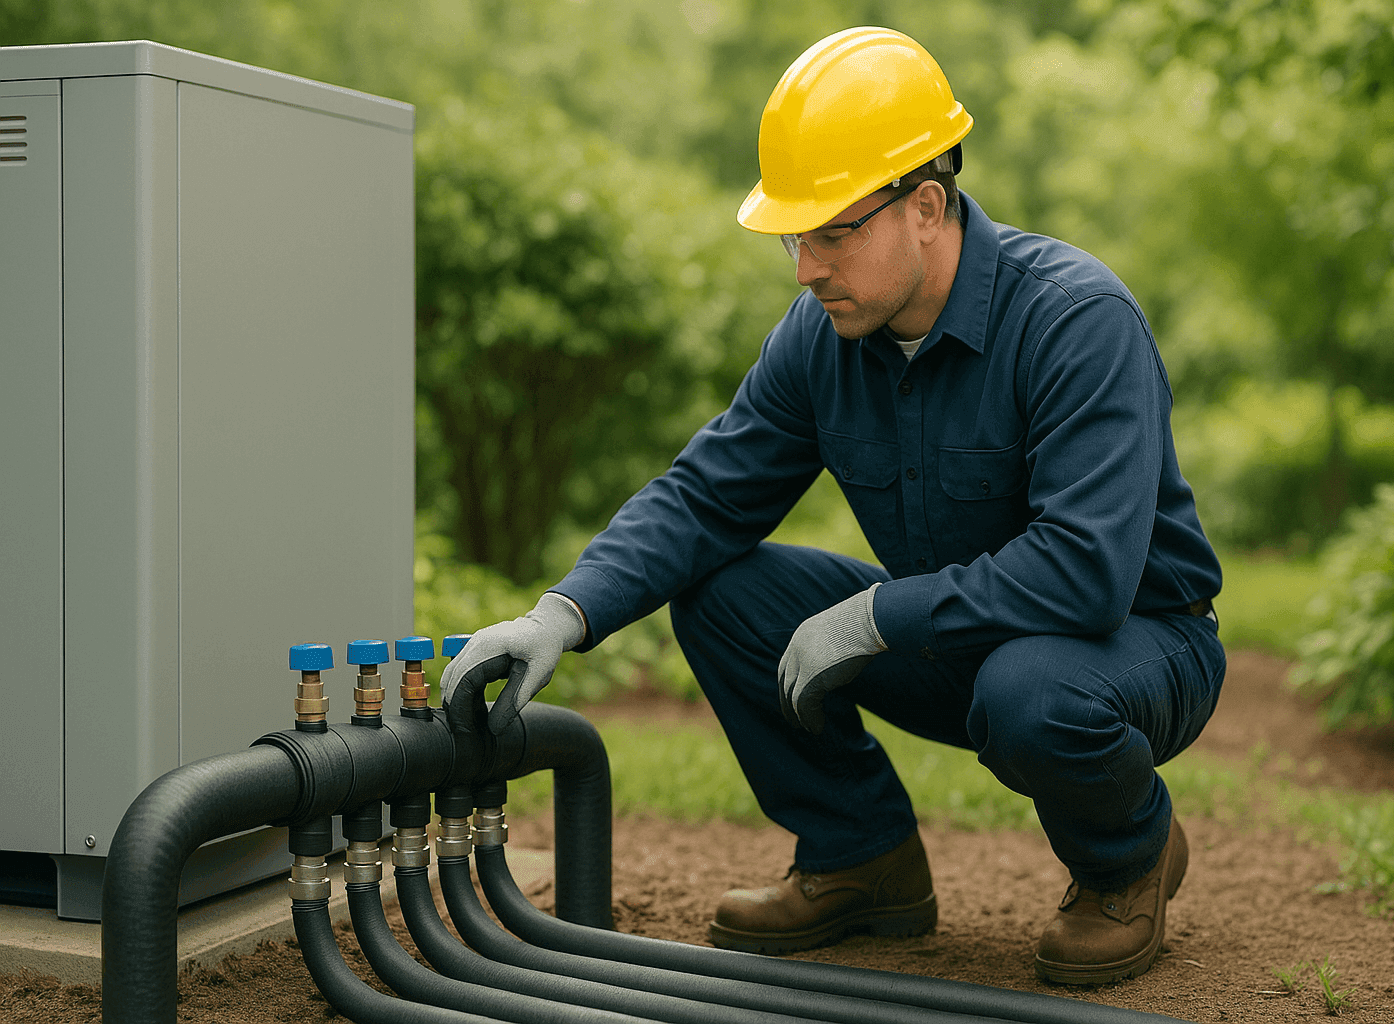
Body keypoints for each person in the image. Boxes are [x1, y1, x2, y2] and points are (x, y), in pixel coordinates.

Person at [440, 25, 1225, 986]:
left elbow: (1086, 574)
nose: (805, 267)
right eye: (791, 236)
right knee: (724, 589)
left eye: (830, 232)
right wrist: (561, 612)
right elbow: (704, 494)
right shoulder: (824, 337)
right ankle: (861, 856)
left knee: (1031, 690)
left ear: (926, 206)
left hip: (1134, 649)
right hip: (963, 640)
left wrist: (875, 615)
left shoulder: (1074, 321)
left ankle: (1128, 858)